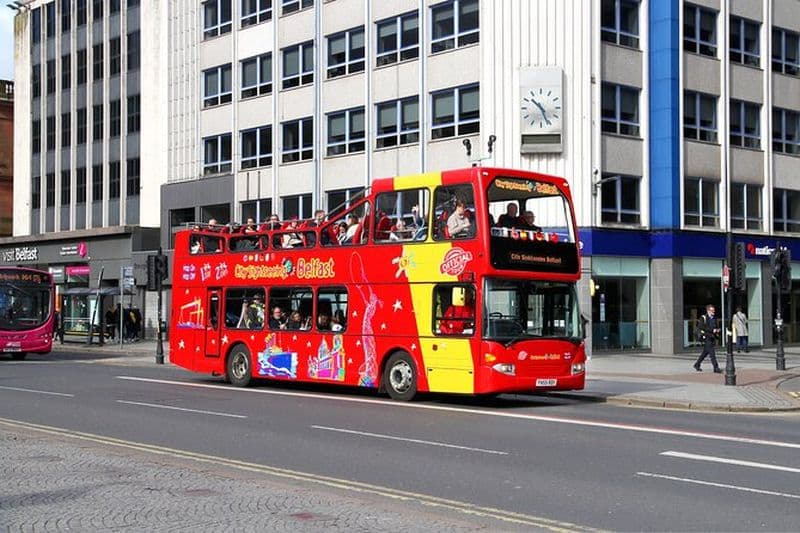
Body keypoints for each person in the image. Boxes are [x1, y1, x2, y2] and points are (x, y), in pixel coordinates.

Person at [694, 304, 722, 373]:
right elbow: (701, 326)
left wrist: (717, 330)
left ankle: (697, 364)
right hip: (706, 337)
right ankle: (716, 367)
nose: (713, 312)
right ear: (708, 310)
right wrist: (712, 330)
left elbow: (716, 326)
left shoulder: (715, 318)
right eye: (712, 311)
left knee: (705, 352)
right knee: (712, 353)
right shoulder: (703, 318)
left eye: (714, 310)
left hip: (712, 337)